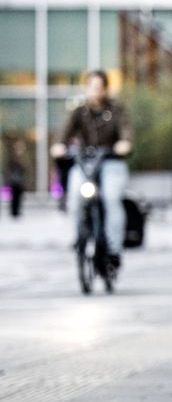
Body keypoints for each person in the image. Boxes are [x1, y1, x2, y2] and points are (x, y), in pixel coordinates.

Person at [50, 70, 132, 270]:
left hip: (111, 161)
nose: (94, 91)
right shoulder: (79, 111)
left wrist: (124, 144)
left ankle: (113, 249)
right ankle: (79, 236)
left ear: (105, 89)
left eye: (98, 87)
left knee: (111, 198)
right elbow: (64, 133)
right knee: (75, 195)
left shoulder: (117, 110)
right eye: (91, 87)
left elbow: (126, 132)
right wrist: (59, 146)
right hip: (85, 161)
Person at [5, 139, 29, 219]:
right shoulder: (12, 160)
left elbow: (25, 170)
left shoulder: (23, 159)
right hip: (14, 181)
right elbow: (10, 170)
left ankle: (17, 211)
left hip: (19, 182)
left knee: (18, 198)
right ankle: (13, 212)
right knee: (14, 198)